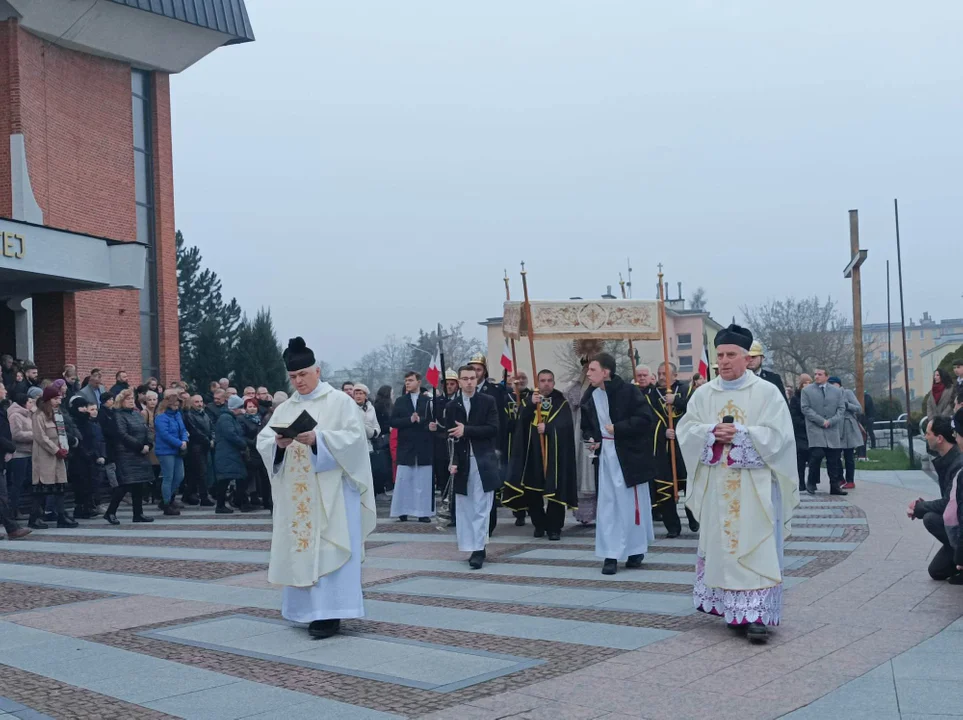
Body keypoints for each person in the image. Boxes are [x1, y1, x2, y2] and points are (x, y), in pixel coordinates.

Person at [677, 324, 798, 644]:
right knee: (724, 549)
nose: (724, 361)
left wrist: (743, 435)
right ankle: (734, 610)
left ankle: (756, 616)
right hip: (719, 486)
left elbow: (782, 438)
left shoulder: (766, 393)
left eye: (731, 355)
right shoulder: (704, 394)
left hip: (756, 488)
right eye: (720, 355)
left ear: (747, 358)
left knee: (756, 547)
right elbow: (685, 431)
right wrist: (709, 433)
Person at [256, 337, 376, 639]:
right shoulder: (287, 407)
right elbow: (264, 442)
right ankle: (306, 611)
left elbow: (355, 440)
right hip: (299, 496)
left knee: (329, 549)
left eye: (303, 375)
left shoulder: (340, 402)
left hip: (332, 493)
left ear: (317, 371)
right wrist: (279, 445)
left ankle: (332, 613)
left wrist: (319, 440)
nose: (299, 382)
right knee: (302, 550)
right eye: (293, 377)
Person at [580, 353, 656, 575]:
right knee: (608, 507)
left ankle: (635, 550)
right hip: (605, 458)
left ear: (606, 371)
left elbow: (645, 420)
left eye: (592, 369)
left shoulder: (629, 392)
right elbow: (588, 425)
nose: (588, 373)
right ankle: (610, 554)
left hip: (629, 458)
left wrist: (619, 428)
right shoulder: (591, 395)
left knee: (630, 506)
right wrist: (592, 439)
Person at [503, 369, 577, 541]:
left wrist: (550, 428)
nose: (546, 384)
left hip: (553, 455)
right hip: (533, 453)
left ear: (554, 382)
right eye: (543, 380)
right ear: (538, 382)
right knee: (532, 491)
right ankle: (539, 524)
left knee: (555, 491)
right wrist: (529, 404)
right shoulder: (530, 400)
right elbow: (520, 423)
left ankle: (554, 527)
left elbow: (566, 426)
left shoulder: (561, 402)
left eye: (549, 380)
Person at [444, 365, 500, 569]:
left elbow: (493, 429)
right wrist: (453, 461)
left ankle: (479, 549)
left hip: (483, 460)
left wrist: (466, 430)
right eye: (464, 378)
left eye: (472, 378)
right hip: (463, 462)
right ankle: (470, 545)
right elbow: (450, 436)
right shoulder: (452, 406)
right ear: (459, 382)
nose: (469, 382)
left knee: (482, 506)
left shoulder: (487, 401)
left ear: (476, 380)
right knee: (465, 507)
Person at [908, 416, 963, 580]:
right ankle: (956, 557)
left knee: (930, 518)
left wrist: (920, 508)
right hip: (956, 520)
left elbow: (949, 503)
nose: (925, 437)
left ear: (939, 438)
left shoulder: (958, 463)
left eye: (928, 433)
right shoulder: (948, 460)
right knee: (937, 571)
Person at [648, 362, 699, 538]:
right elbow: (648, 419)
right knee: (665, 487)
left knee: (688, 484)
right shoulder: (650, 394)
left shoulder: (687, 390)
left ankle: (693, 516)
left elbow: (695, 412)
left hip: (683, 447)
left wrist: (676, 401)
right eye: (660, 373)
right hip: (663, 447)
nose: (662, 377)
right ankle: (673, 526)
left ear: (675, 376)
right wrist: (663, 431)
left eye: (666, 374)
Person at [468, 353, 513, 532]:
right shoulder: (464, 391)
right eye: (472, 369)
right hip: (469, 446)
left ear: (484, 372)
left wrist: (498, 447)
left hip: (489, 446)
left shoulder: (494, 391)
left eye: (478, 369)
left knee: (488, 488)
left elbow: (500, 422)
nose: (475, 373)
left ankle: (489, 524)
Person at [104, 389, 155, 524]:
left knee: (139, 484)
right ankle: (110, 512)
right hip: (126, 454)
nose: (131, 401)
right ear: (121, 401)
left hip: (140, 454)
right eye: (128, 399)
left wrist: (148, 444)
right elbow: (122, 434)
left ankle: (138, 514)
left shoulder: (137, 414)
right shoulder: (118, 415)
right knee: (124, 485)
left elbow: (147, 429)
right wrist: (139, 446)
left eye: (132, 398)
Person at [30, 385, 77, 528]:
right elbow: (40, 437)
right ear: (48, 399)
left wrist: (64, 447)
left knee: (59, 486)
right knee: (42, 487)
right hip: (45, 456)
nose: (59, 401)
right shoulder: (39, 415)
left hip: (58, 456)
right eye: (56, 398)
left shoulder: (57, 414)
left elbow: (61, 432)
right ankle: (35, 517)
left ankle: (61, 516)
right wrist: (56, 449)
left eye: (59, 398)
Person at [389, 371, 434, 522]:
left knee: (423, 480)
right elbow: (393, 421)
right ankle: (402, 510)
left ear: (419, 382)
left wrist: (424, 422)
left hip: (423, 445)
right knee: (404, 480)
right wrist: (409, 419)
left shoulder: (427, 401)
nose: (407, 383)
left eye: (410, 380)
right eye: (406, 381)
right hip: (406, 445)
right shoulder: (401, 401)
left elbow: (431, 420)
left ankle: (423, 512)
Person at [800, 369, 847, 496]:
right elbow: (805, 408)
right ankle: (811, 481)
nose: (816, 377)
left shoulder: (837, 391)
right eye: (815, 374)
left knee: (834, 459)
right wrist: (821, 421)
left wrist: (831, 421)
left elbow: (841, 409)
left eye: (820, 374)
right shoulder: (807, 391)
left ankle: (835, 486)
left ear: (827, 376)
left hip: (832, 429)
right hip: (815, 428)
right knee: (816, 455)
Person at [6, 388, 39, 520]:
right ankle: (13, 510)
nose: (32, 404)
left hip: (30, 452)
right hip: (19, 454)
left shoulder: (28, 414)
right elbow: (16, 434)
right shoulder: (15, 415)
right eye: (30, 402)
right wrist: (34, 435)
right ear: (23, 403)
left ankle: (33, 509)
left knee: (30, 482)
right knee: (17, 483)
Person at [155, 388, 189, 516]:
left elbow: (183, 429)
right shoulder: (161, 417)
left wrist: (184, 439)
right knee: (168, 477)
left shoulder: (177, 415)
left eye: (177, 405)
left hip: (177, 449)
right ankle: (166, 501)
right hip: (165, 450)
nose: (176, 407)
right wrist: (179, 443)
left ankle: (169, 496)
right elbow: (165, 434)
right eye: (174, 405)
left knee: (179, 476)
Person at [214, 395, 248, 514]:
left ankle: (233, 502)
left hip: (230, 453)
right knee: (225, 479)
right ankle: (221, 505)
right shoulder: (226, 418)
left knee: (233, 478)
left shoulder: (229, 417)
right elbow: (231, 434)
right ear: (236, 408)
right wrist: (243, 444)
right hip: (227, 453)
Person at [182, 394, 214, 506]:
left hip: (205, 446)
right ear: (191, 403)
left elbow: (211, 427)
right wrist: (207, 440)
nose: (200, 404)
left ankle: (187, 495)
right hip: (195, 447)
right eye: (196, 402)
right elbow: (194, 431)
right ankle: (203, 496)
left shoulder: (205, 414)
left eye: (201, 401)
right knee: (201, 472)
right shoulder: (189, 415)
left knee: (197, 473)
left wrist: (212, 438)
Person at [830, 377, 862, 490]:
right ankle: (840, 478)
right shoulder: (828, 395)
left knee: (848, 456)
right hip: (835, 427)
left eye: (833, 384)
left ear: (838, 384)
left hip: (848, 427)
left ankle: (850, 480)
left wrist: (847, 405)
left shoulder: (847, 393)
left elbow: (859, 408)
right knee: (835, 455)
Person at [238, 397, 269, 512]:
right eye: (249, 407)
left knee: (265, 478)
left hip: (261, 452)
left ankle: (267, 501)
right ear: (245, 408)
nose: (252, 409)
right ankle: (243, 501)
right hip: (250, 452)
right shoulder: (242, 419)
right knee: (247, 478)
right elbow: (242, 435)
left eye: (254, 406)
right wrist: (254, 442)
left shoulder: (261, 419)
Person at [789, 374, 812, 492]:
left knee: (814, 458)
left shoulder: (813, 397)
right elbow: (794, 415)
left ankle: (812, 481)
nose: (807, 385)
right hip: (800, 433)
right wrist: (804, 423)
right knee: (801, 460)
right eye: (805, 383)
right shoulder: (795, 398)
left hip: (812, 432)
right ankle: (801, 482)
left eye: (809, 383)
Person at [371, 385, 394, 496]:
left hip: (388, 437)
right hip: (383, 438)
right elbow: (378, 423)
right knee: (383, 464)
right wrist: (388, 428)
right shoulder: (379, 407)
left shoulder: (389, 406)